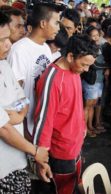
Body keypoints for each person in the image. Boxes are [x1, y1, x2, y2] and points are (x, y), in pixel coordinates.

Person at [33, 34, 98, 193]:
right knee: (62, 189)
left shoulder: (74, 72)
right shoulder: (53, 79)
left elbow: (75, 104)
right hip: (60, 151)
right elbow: (43, 120)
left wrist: (82, 125)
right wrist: (41, 158)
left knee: (72, 185)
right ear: (70, 56)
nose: (86, 69)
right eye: (84, 64)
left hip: (75, 144)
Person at [0, 11, 48, 193]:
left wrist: (18, 115)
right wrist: (35, 151)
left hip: (17, 160)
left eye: (7, 38)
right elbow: (3, 128)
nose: (8, 44)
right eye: (1, 40)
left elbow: (23, 99)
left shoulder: (4, 64)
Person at [7, 2, 63, 140]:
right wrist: (23, 121)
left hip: (38, 118)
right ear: (43, 23)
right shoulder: (19, 50)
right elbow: (14, 92)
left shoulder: (45, 48)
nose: (58, 28)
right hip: (26, 123)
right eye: (56, 23)